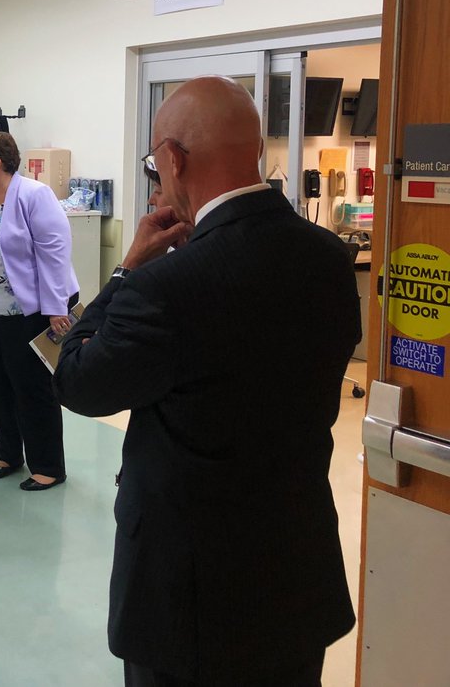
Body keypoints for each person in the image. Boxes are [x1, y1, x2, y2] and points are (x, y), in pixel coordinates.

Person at [54, 76, 358, 687]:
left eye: (155, 165)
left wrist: (126, 269)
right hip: (296, 578)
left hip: (187, 600)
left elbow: (79, 380)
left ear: (173, 159)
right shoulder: (329, 258)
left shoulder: (163, 287)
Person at [0, 132, 79, 491]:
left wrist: (56, 308)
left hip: (28, 311)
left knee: (32, 387)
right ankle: (9, 453)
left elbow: (54, 253)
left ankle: (48, 467)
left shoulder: (35, 196)